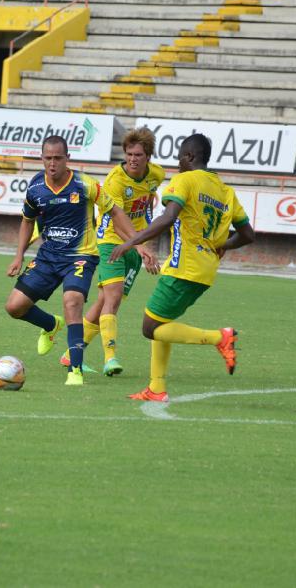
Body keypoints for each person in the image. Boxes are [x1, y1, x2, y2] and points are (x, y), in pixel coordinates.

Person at [110, 133, 255, 402]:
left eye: (179, 158)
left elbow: (168, 218)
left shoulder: (185, 180)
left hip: (183, 266)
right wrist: (223, 245)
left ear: (189, 156)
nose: (177, 163)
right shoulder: (225, 191)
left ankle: (219, 338)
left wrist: (132, 241)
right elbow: (248, 234)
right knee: (161, 321)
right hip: (206, 270)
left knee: (149, 328)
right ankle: (156, 388)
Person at [5, 135, 141, 386]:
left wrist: (137, 242)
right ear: (41, 158)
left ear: (67, 158)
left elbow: (114, 211)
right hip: (48, 256)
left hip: (81, 256)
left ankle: (75, 369)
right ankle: (51, 325)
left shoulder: (84, 184)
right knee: (14, 307)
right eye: (48, 158)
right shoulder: (35, 187)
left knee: (72, 301)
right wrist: (19, 255)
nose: (52, 163)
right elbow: (27, 221)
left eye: (58, 158)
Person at [58, 128, 161, 376]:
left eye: (138, 155)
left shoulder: (156, 175)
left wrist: (143, 241)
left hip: (134, 244)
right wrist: (141, 246)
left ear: (148, 156)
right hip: (110, 241)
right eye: (129, 154)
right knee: (113, 299)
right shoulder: (115, 181)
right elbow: (117, 221)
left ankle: (71, 355)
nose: (132, 159)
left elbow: (147, 205)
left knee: (104, 300)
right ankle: (110, 358)